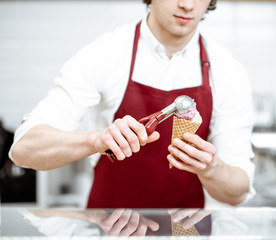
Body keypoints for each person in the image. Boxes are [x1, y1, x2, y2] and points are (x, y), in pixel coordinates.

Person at [9, 0, 255, 208]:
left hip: (184, 231)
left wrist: (211, 169)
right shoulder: (106, 53)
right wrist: (96, 140)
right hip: (108, 229)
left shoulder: (228, 71)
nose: (187, 5)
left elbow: (238, 193)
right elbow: (24, 149)